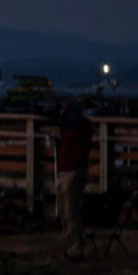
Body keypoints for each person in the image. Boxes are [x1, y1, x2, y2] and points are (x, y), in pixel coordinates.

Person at [55, 98, 94, 261]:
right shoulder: (74, 126)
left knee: (70, 211)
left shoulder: (78, 127)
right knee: (66, 211)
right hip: (67, 169)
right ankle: (72, 245)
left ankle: (76, 248)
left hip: (73, 170)